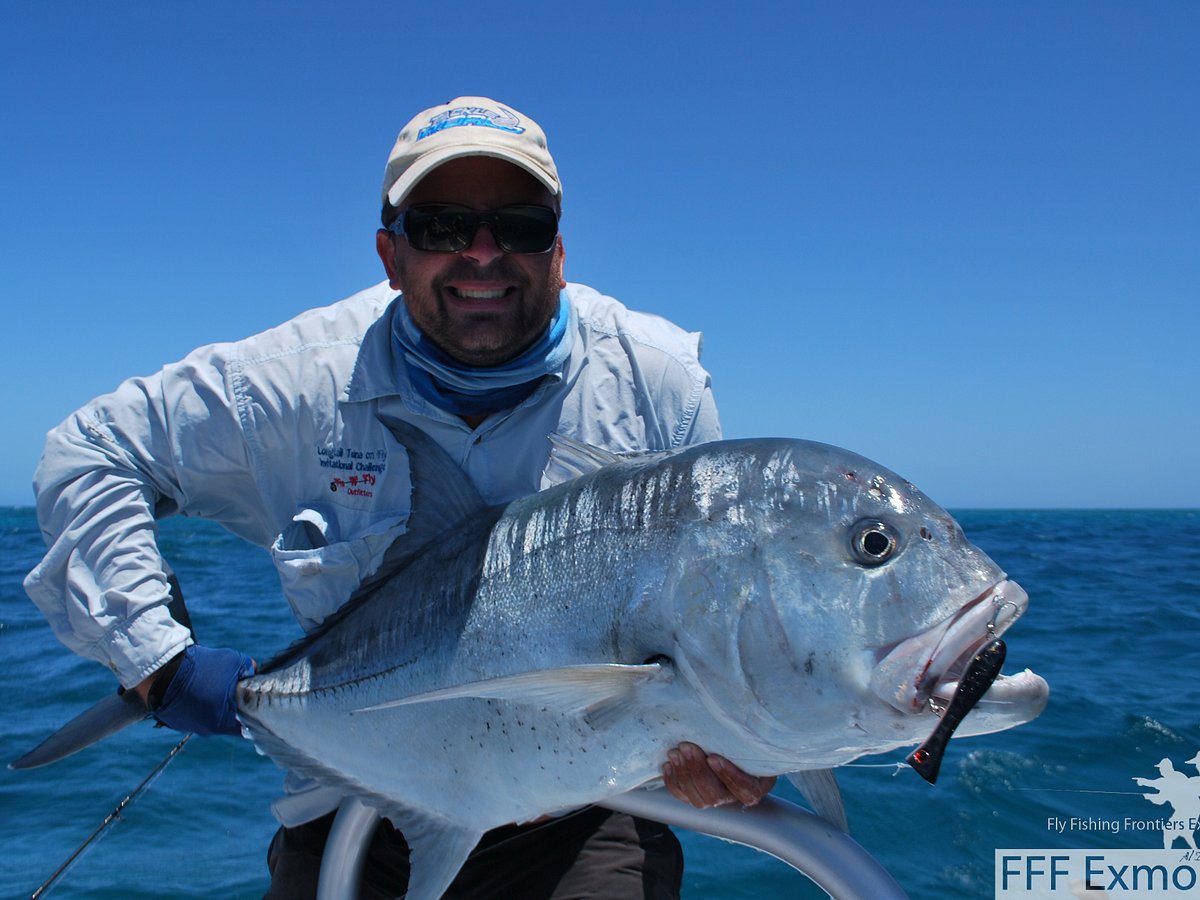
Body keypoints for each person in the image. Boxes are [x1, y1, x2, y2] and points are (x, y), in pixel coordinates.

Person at [24, 96, 775, 898]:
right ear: (390, 254)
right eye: (441, 226)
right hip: (359, 793)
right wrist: (157, 661)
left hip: (587, 806)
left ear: (559, 253)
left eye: (517, 225)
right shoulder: (298, 382)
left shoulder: (659, 389)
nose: (482, 254)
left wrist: (744, 741)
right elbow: (92, 451)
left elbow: (708, 633)